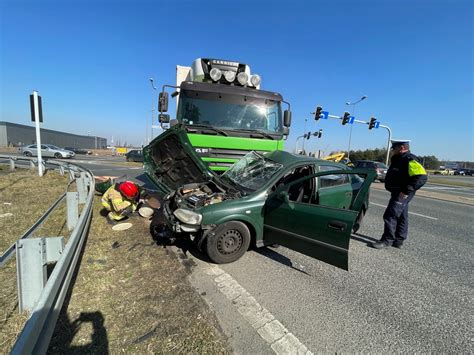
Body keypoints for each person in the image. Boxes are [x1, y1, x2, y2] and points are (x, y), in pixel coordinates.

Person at [372, 140, 427, 249]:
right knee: (402, 216)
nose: (392, 150)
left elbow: (421, 177)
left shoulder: (409, 159)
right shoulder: (399, 159)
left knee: (390, 215)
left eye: (394, 148)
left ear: (401, 148)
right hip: (397, 191)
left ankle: (387, 240)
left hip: (402, 193)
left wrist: (407, 190)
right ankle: (399, 240)